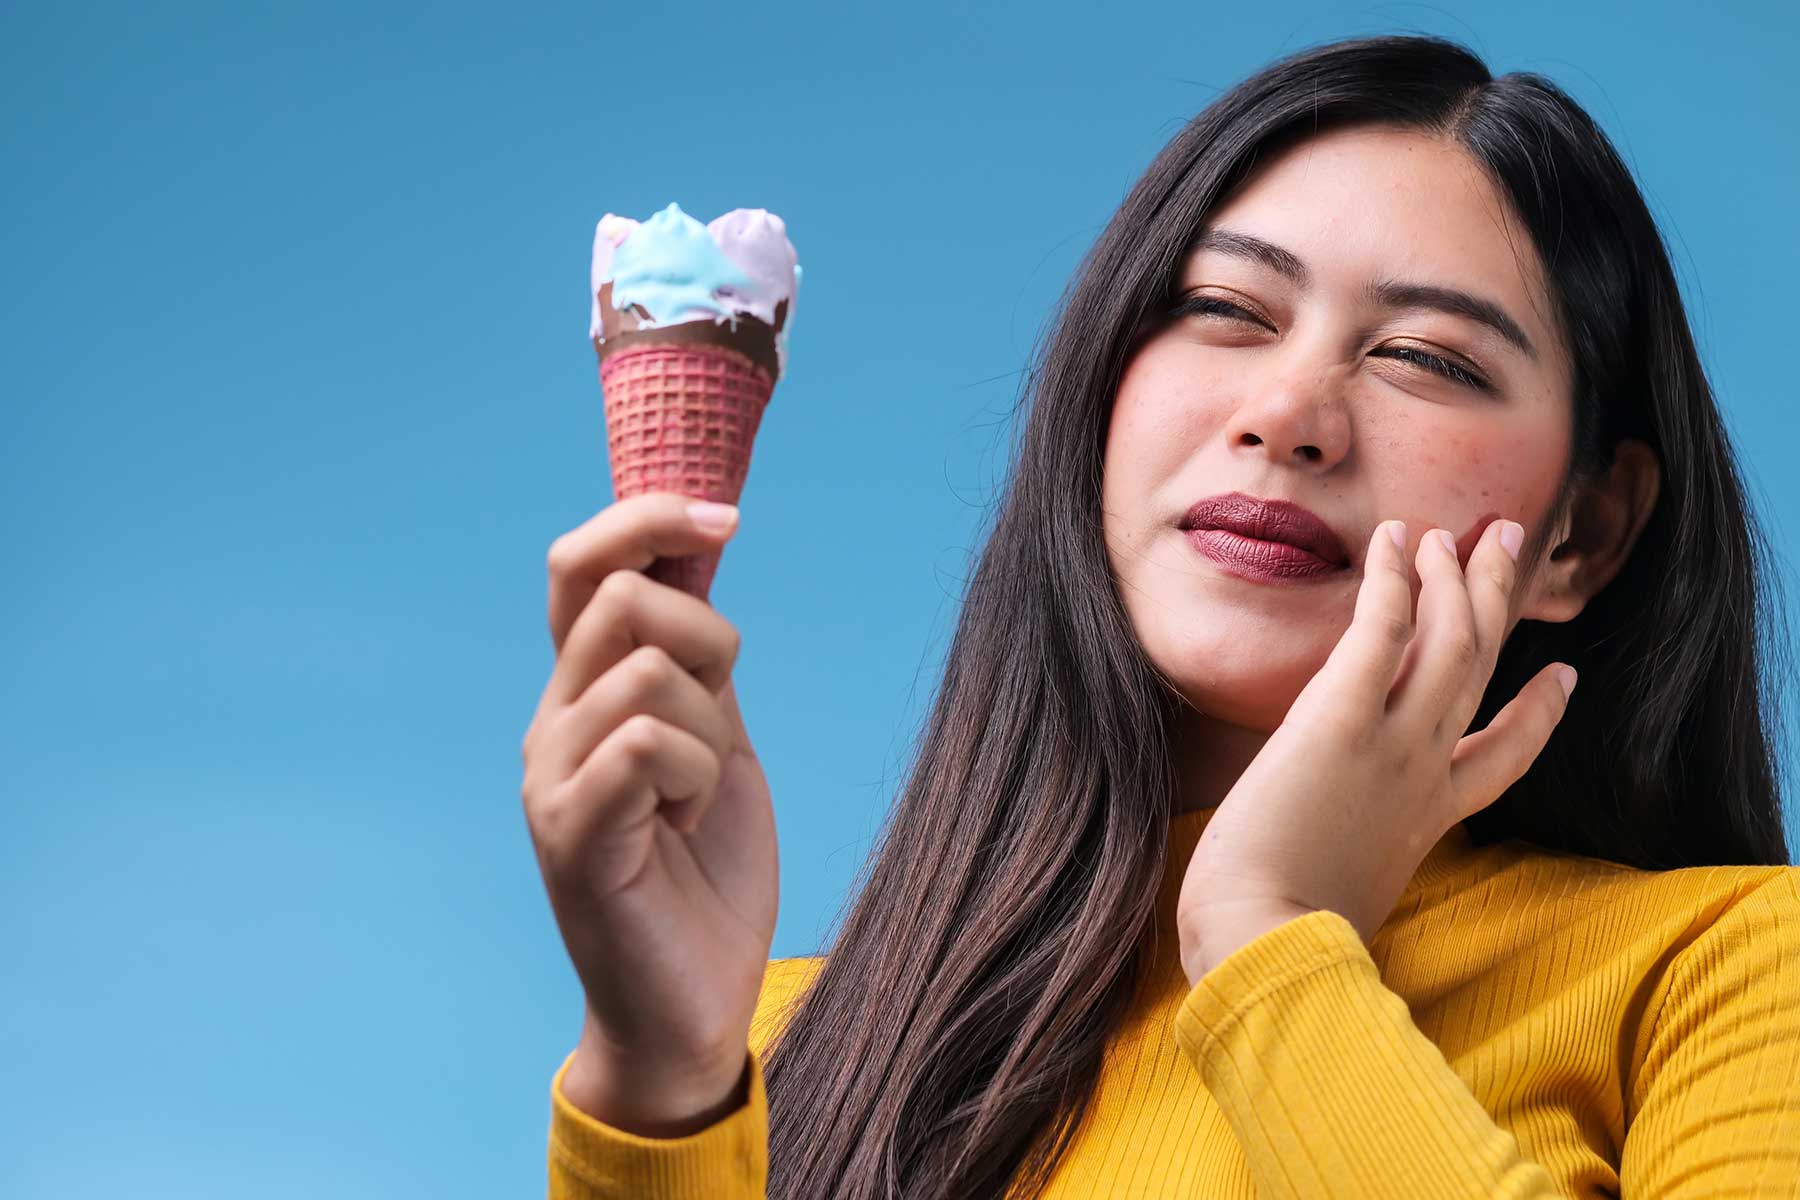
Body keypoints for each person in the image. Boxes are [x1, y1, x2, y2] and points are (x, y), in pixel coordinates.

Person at [524, 32, 1800, 1200]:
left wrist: (1269, 937)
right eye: (1224, 311)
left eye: (1424, 357)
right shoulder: (771, 1050)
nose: (1288, 411)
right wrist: (664, 1077)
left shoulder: (1727, 973)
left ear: (1582, 532)